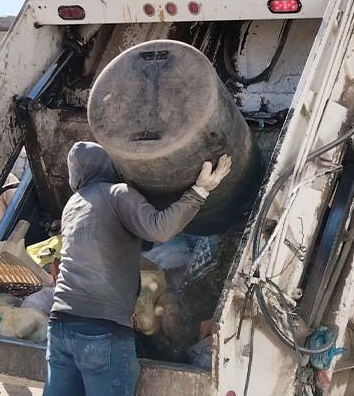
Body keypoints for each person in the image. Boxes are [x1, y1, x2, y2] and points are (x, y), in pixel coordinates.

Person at [43, 141, 231, 396]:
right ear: (108, 165)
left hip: (60, 327)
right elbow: (160, 229)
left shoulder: (73, 205)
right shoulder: (117, 194)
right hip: (101, 331)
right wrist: (199, 191)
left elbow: (120, 243)